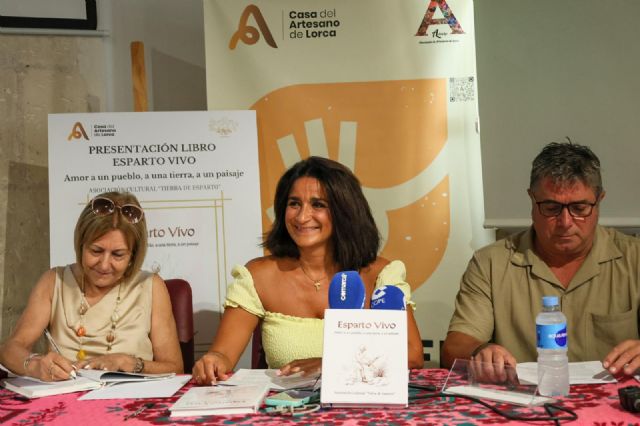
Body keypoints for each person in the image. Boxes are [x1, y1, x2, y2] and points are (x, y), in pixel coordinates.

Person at [193, 156, 424, 384]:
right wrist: (213, 361)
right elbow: (223, 355)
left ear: (345, 211)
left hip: (363, 408)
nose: (302, 217)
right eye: (294, 203)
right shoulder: (258, 276)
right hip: (286, 410)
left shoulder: (381, 275)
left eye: (318, 204)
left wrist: (330, 364)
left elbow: (412, 355)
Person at [442, 142, 640, 378]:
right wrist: (481, 351)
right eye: (551, 207)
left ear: (600, 201)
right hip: (523, 405)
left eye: (579, 207)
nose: (566, 222)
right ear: (531, 199)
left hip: (616, 406)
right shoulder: (490, 264)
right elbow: (455, 346)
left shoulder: (634, 258)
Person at [0, 192, 183, 381]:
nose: (104, 265)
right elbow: (9, 350)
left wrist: (131, 363)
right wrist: (35, 364)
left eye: (118, 255)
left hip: (131, 403)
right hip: (64, 402)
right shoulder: (54, 281)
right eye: (96, 251)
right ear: (81, 244)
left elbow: (175, 368)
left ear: (133, 256)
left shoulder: (151, 286)